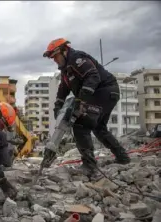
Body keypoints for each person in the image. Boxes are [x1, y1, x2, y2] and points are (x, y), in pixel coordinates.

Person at [43, 38, 131, 181]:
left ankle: (89, 166)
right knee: (99, 128)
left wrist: (81, 99)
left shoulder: (77, 59)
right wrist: (58, 107)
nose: (55, 60)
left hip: (104, 90)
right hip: (107, 93)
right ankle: (122, 157)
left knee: (81, 123)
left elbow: (93, 76)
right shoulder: (66, 71)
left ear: (64, 51)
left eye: (56, 56)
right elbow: (63, 90)